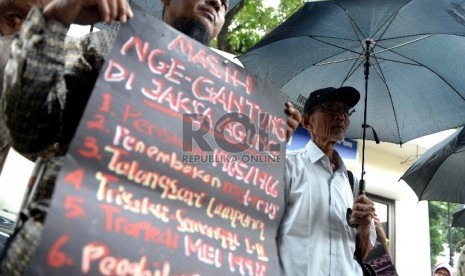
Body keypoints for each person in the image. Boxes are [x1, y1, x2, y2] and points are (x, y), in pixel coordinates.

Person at [0, 0, 301, 274]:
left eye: (224, 2)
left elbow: (225, 207)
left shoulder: (236, 108)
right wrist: (56, 18)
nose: (217, 3)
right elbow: (29, 132)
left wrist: (265, 144)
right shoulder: (107, 47)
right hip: (63, 255)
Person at [279, 86, 376, 275]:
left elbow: (361, 254)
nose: (340, 116)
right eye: (330, 107)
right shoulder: (288, 167)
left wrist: (364, 226)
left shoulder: (351, 182)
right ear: (307, 121)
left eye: (345, 111)